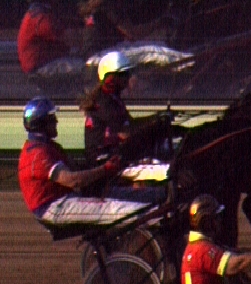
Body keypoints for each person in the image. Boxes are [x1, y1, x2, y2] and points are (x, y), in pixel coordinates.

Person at [17, 96, 152, 228]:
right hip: (53, 207)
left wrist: (106, 167)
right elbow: (73, 180)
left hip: (65, 198)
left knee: (123, 195)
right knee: (114, 208)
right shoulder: (38, 154)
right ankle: (156, 218)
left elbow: (78, 170)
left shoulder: (47, 147)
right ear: (41, 124)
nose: (56, 121)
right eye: (52, 118)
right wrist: (104, 169)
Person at [16, 0, 77, 74]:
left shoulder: (38, 12)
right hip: (41, 67)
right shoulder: (40, 17)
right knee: (85, 67)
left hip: (44, 64)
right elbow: (66, 37)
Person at [80, 51, 135, 160]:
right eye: (123, 74)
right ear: (110, 77)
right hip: (103, 162)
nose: (128, 77)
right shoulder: (104, 103)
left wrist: (157, 119)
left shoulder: (113, 99)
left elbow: (130, 124)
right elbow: (126, 132)